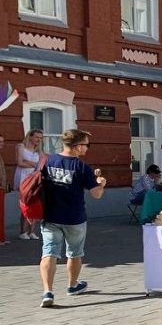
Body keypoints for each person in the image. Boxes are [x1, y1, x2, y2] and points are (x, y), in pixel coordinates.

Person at [39, 129, 107, 308]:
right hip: (74, 218)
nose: (87, 148)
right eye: (86, 145)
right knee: (75, 253)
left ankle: (47, 291)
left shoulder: (49, 160)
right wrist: (101, 183)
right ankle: (72, 286)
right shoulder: (82, 167)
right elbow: (96, 195)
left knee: (49, 253)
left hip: (50, 216)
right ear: (77, 147)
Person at [14, 129, 45, 240]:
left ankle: (32, 231)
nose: (39, 140)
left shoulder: (39, 151)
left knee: (35, 203)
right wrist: (35, 165)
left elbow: (41, 166)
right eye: (37, 137)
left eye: (41, 138)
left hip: (35, 179)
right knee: (25, 204)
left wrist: (29, 163)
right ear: (30, 136)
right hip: (24, 177)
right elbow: (20, 162)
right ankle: (23, 231)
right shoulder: (21, 146)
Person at [0, 134, 8, 245]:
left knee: (1, 213)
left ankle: (1, 237)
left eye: (2, 142)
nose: (2, 144)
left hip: (1, 187)